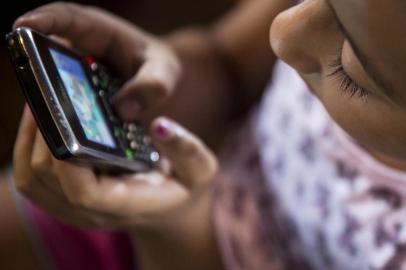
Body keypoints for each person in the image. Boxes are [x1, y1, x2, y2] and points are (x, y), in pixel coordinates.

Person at [11, 0, 406, 269]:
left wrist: (172, 226)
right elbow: (229, 62)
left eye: (350, 69)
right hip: (147, 188)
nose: (281, 34)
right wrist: (153, 77)